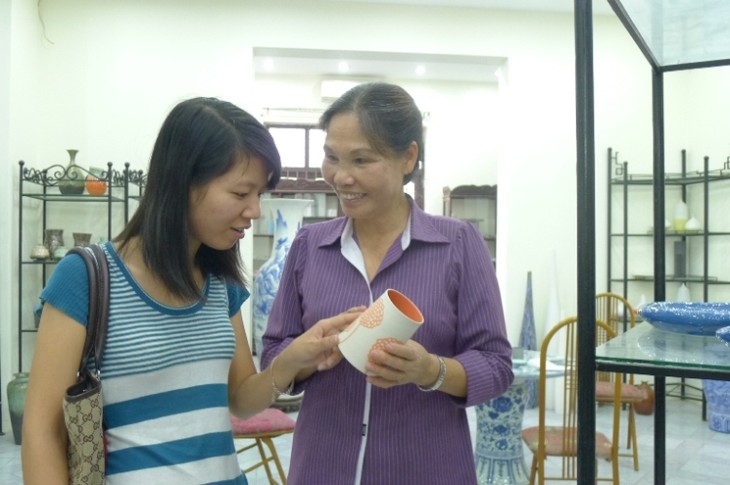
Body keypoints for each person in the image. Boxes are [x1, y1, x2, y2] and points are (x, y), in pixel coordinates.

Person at [21, 97, 360, 484]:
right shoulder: (85, 278)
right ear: (182, 182)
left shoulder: (221, 283)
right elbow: (42, 432)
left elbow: (241, 399)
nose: (255, 211)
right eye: (240, 193)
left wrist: (295, 359)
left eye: (260, 195)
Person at [261, 82, 514, 484]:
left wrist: (430, 370)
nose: (341, 177)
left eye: (361, 160)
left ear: (408, 156)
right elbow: (273, 354)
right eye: (331, 157)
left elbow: (497, 366)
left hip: (426, 467)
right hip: (322, 467)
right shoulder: (311, 245)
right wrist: (303, 355)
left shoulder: (458, 244)